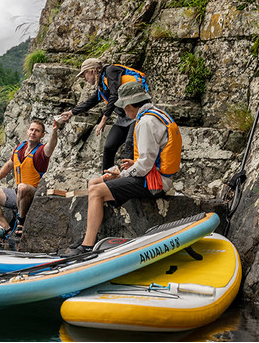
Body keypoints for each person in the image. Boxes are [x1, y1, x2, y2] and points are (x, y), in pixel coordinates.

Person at [65, 81, 182, 255]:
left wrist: (122, 175)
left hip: (154, 183)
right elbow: (149, 159)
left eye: (123, 108)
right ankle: (89, 234)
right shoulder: (157, 115)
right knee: (94, 182)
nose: (124, 112)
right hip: (154, 176)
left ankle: (87, 246)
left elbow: (145, 165)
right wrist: (132, 167)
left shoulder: (145, 123)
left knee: (97, 191)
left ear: (128, 105)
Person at [60, 58, 148, 172]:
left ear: (92, 71)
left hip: (135, 114)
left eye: (84, 75)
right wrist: (71, 112)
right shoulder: (102, 84)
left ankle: (128, 180)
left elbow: (114, 95)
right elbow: (92, 101)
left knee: (129, 145)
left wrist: (103, 120)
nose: (84, 79)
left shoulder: (110, 71)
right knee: (109, 147)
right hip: (123, 117)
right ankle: (107, 179)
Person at [0, 119, 59, 237]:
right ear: (27, 131)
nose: (33, 132)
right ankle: (6, 228)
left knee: (22, 187)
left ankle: (21, 221)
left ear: (42, 135)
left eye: (37, 131)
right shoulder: (20, 147)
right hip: (17, 194)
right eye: (32, 129)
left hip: (33, 194)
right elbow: (8, 165)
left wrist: (54, 130)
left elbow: (51, 146)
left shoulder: (41, 152)